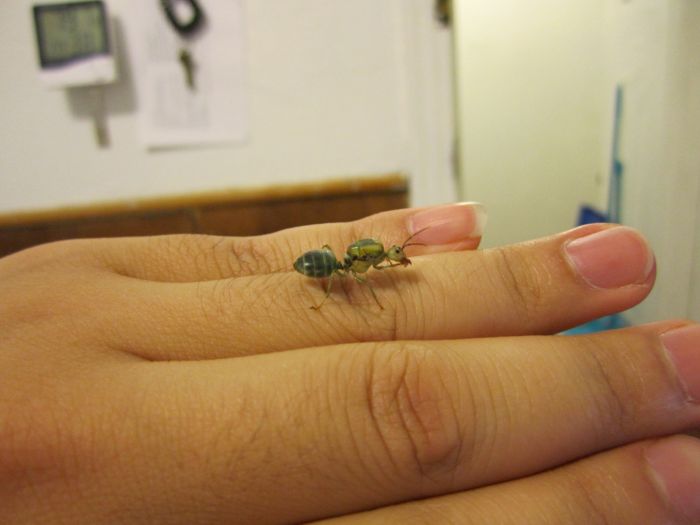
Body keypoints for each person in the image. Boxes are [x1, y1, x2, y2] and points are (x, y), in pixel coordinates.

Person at [0, 202, 698, 524]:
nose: (392, 266)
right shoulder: (344, 272)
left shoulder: (372, 263)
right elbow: (342, 280)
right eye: (389, 262)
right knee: (404, 411)